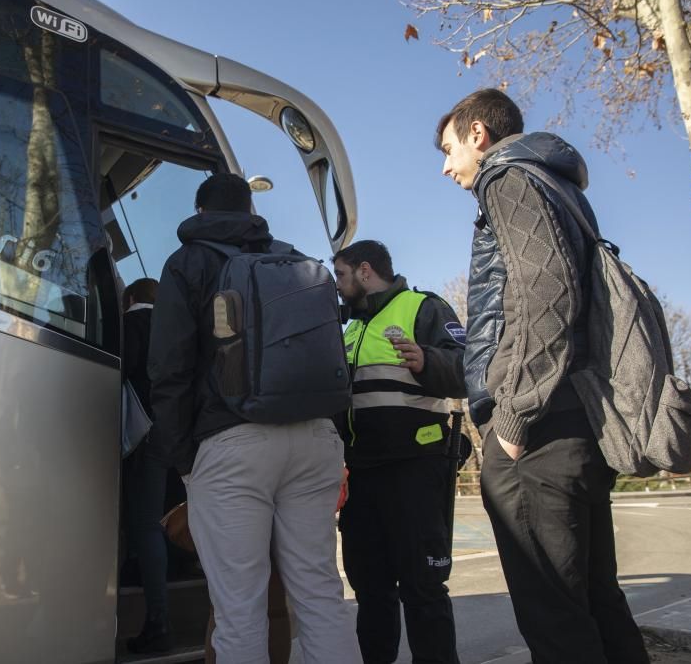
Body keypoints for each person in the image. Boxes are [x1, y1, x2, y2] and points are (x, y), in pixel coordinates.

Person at [435, 88, 648, 663]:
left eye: (450, 148)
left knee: (553, 613)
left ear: (478, 134)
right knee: (595, 601)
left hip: (539, 430)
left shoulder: (507, 178)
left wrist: (513, 414)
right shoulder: (555, 183)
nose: (447, 166)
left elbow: (548, 294)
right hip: (574, 417)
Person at [147, 172, 361, 664]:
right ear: (251, 211)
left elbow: (169, 368)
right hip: (315, 439)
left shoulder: (187, 263)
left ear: (201, 212)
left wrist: (184, 459)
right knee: (320, 597)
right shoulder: (293, 259)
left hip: (232, 444)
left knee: (240, 611)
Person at [332, 240, 466, 664]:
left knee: (423, 588)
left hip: (415, 471)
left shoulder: (423, 308)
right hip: (361, 477)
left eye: (340, 275)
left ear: (365, 270)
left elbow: (467, 370)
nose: (337, 285)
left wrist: (426, 360)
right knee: (370, 591)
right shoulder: (349, 326)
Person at [120, 277, 174, 654]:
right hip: (177, 437)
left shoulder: (133, 324)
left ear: (132, 297)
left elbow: (118, 372)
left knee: (144, 522)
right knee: (164, 518)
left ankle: (158, 623)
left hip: (144, 436)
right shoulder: (175, 328)